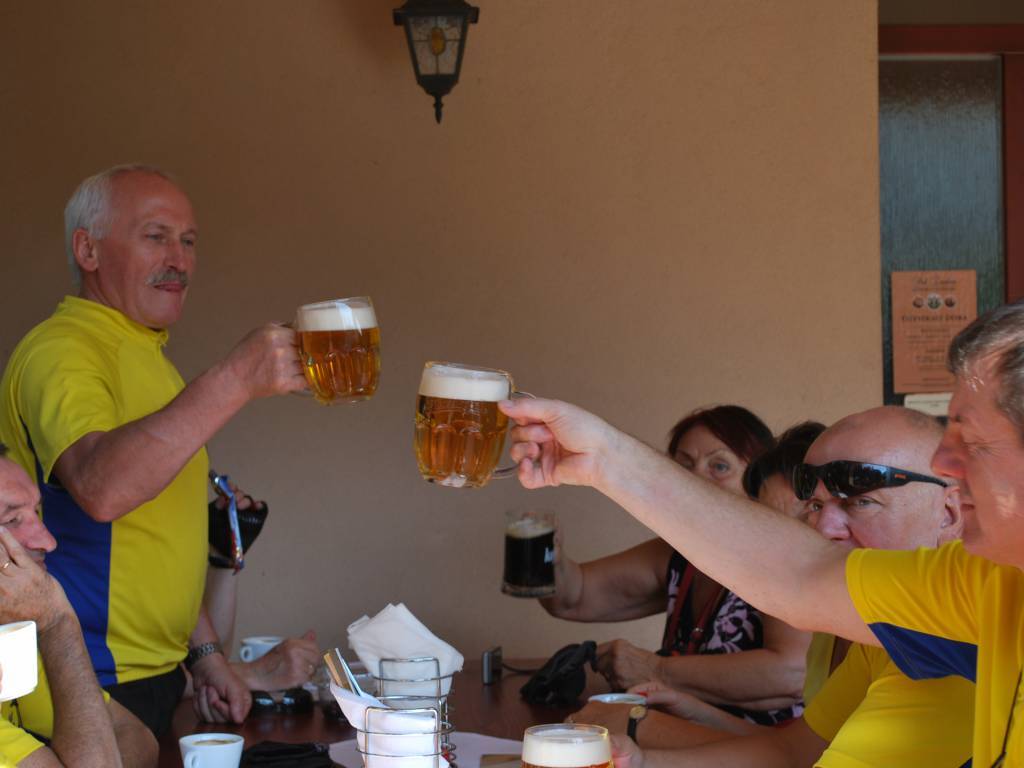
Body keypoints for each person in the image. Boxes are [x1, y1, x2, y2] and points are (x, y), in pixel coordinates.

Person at [499, 300, 1024, 765]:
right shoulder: (983, 585)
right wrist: (602, 459)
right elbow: (800, 576)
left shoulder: (962, 604)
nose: (947, 464)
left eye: (974, 443)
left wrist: (647, 719)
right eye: (813, 504)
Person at [0, 165, 307, 737]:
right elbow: (103, 488)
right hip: (84, 679)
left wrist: (207, 656)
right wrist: (237, 378)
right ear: (88, 250)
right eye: (156, 236)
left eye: (188, 241)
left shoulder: (148, 358)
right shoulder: (62, 350)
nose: (179, 260)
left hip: (154, 677)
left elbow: (158, 539)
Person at [610, 407, 974, 767]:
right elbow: (795, 752)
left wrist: (643, 726)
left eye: (862, 501)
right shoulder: (872, 635)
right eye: (814, 506)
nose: (823, 529)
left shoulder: (962, 619)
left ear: (950, 512)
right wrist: (640, 760)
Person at [542, 406, 809, 726]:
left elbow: (791, 673)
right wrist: (546, 552)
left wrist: (655, 669)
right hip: (683, 734)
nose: (695, 479)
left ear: (757, 479)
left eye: (719, 466)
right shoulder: (678, 554)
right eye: (683, 466)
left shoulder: (777, 553)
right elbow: (573, 598)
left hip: (769, 746)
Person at [0, 447, 156, 767]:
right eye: (13, 520)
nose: (48, 541)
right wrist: (58, 621)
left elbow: (137, 737)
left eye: (37, 512)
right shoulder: (43, 622)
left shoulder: (9, 638)